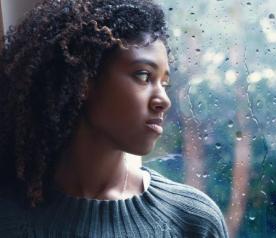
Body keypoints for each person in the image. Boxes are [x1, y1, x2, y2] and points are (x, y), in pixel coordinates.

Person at [0, 0, 229, 237]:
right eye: (143, 76)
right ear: (85, 80)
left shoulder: (194, 222)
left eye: (164, 83)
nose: (163, 100)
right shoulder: (7, 217)